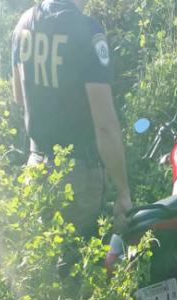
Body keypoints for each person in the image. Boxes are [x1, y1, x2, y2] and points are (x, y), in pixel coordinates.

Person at [11, 0, 131, 238]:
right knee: (79, 262)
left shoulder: (24, 23)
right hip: (77, 179)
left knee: (49, 264)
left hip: (35, 169)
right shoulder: (87, 32)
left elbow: (18, 96)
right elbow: (105, 125)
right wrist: (123, 191)